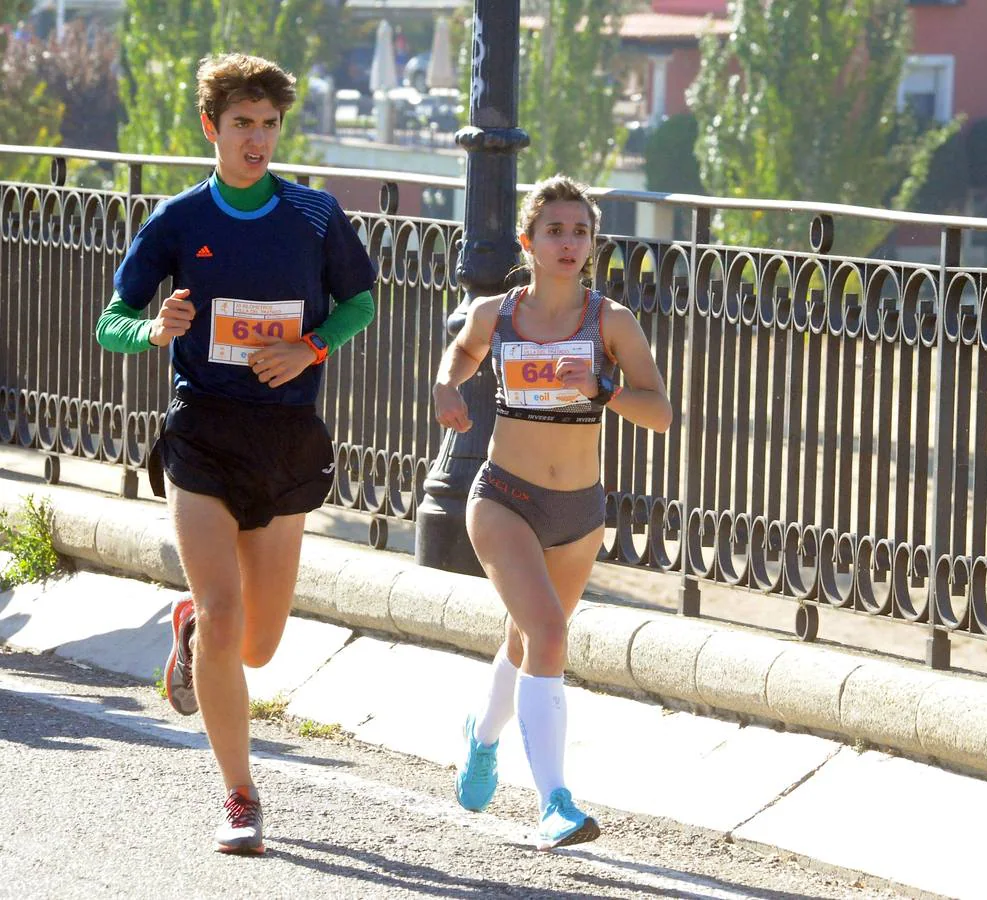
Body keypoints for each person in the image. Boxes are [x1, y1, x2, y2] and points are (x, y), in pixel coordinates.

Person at [94, 53, 376, 855]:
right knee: (227, 615)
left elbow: (359, 302)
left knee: (256, 645)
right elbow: (111, 322)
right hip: (204, 434)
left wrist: (310, 348)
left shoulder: (316, 217)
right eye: (242, 124)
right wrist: (154, 330)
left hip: (286, 441)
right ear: (211, 128)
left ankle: (189, 636)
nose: (257, 139)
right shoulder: (179, 221)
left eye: (269, 124)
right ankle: (240, 796)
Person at [432, 175, 672, 850]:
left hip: (579, 511)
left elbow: (660, 412)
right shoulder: (497, 313)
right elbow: (462, 353)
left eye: (581, 232)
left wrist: (602, 386)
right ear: (527, 242)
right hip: (505, 498)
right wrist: (448, 386)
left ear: (593, 243)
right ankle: (554, 803)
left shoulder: (610, 321)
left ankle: (481, 738)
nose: (570, 244)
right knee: (549, 636)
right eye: (555, 231)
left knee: (526, 639)